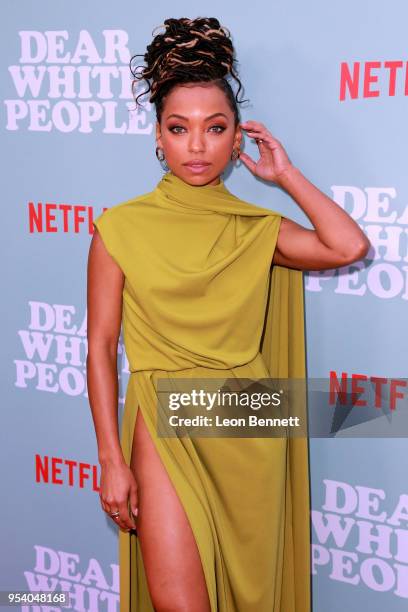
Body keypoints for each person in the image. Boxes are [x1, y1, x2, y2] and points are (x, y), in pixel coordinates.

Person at [86, 16, 370, 612]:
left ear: (238, 139)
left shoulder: (255, 229)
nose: (197, 145)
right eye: (179, 128)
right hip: (163, 418)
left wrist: (286, 175)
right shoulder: (119, 227)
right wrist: (111, 459)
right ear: (158, 137)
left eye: (215, 129)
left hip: (244, 423)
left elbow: (348, 247)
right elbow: (100, 345)